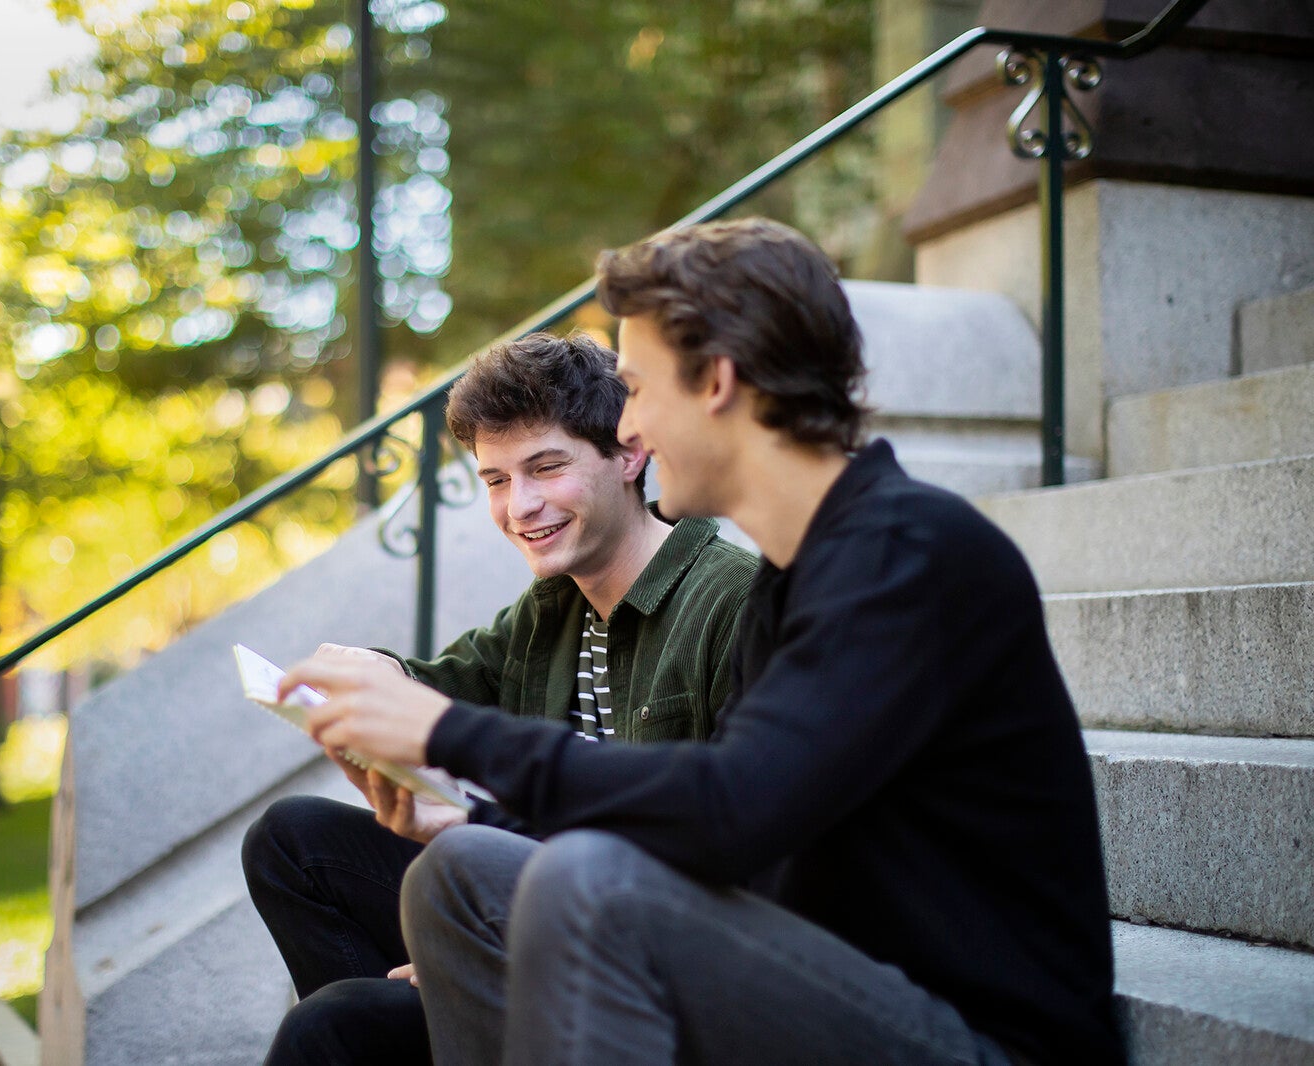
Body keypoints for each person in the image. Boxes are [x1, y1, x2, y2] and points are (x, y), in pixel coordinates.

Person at [283, 218, 1123, 1065]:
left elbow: (730, 809)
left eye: (639, 390)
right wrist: (477, 812)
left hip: (976, 1038)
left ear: (717, 380)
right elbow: (739, 848)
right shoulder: (793, 582)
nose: (632, 429)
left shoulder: (910, 555)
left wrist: (443, 732)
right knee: (459, 871)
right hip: (815, 977)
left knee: (587, 887)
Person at [242, 330, 757, 1065]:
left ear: (628, 454)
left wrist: (473, 946)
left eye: (546, 468)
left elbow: (730, 849)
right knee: (291, 840)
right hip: (521, 890)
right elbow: (442, 688)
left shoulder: (729, 600)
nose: (521, 505)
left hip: (647, 937)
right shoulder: (552, 608)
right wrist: (367, 674)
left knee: (331, 1026)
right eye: (495, 480)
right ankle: (445, 1027)